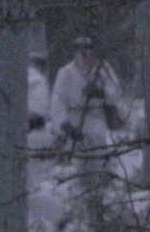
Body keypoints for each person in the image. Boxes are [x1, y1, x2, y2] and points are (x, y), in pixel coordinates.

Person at [48, 36, 126, 164]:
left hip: (96, 116)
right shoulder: (65, 72)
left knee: (98, 148)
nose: (84, 55)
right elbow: (58, 101)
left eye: (88, 50)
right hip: (73, 117)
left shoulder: (102, 69)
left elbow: (116, 93)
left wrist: (100, 93)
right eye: (80, 51)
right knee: (76, 156)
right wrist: (64, 124)